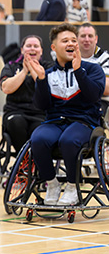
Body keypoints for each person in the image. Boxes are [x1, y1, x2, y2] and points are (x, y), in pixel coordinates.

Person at [30, 23, 105, 205]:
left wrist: (79, 71)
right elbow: (42, 105)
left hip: (85, 122)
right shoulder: (47, 74)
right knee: (37, 139)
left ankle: (72, 186)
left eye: (73, 40)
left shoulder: (93, 69)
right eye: (65, 41)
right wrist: (40, 81)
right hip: (55, 121)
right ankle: (52, 184)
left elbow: (94, 95)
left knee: (69, 140)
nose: (71, 43)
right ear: (54, 48)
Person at [0, 35, 50, 154]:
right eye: (28, 46)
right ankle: (24, 159)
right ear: (22, 50)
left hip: (40, 113)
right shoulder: (11, 66)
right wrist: (24, 71)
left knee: (39, 129)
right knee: (17, 123)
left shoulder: (48, 67)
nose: (32, 49)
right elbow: (6, 88)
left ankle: (34, 160)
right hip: (15, 112)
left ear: (41, 51)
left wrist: (33, 70)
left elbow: (46, 89)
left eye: (36, 46)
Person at [77, 22, 109, 114]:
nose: (87, 39)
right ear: (77, 39)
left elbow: (106, 89)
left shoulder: (105, 58)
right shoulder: (69, 57)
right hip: (74, 102)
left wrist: (79, 79)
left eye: (90, 36)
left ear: (96, 39)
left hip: (100, 103)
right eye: (83, 36)